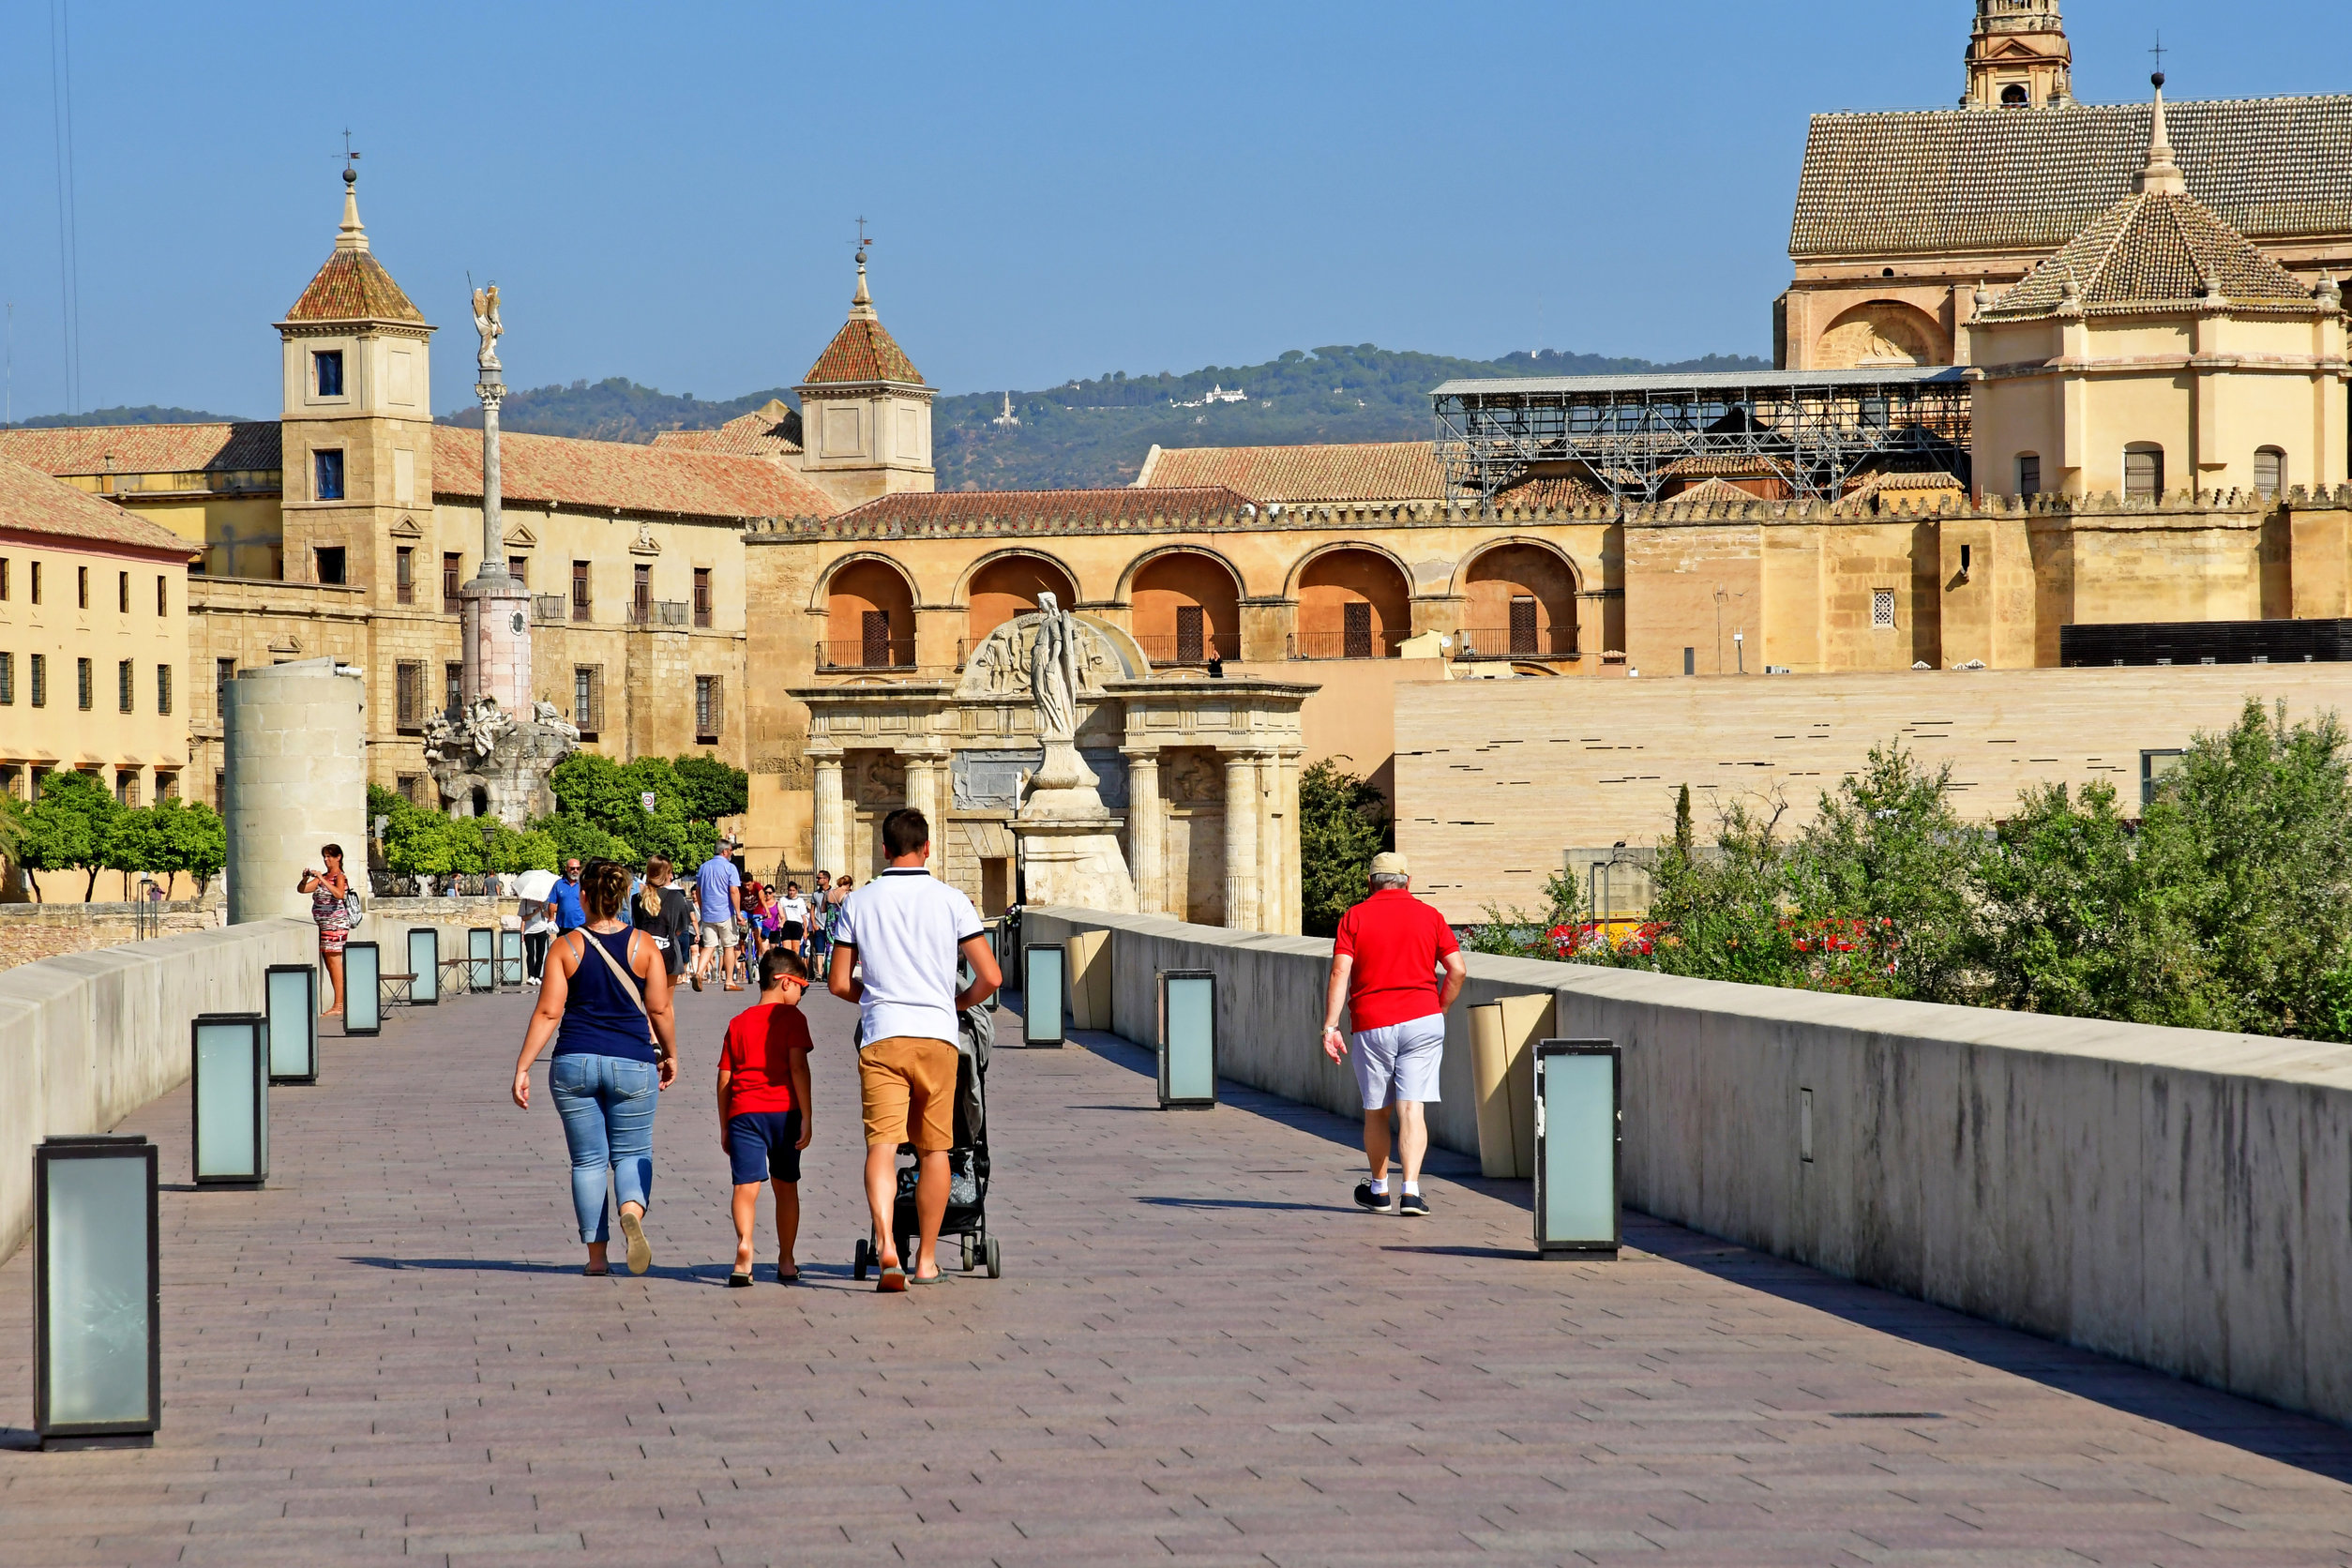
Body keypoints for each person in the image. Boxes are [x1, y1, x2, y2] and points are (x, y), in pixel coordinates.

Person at [829, 807, 1000, 1291]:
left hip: (883, 1035)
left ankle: (887, 1246)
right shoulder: (952, 901)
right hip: (937, 1036)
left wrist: (877, 998)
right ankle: (925, 1260)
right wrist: (955, 1002)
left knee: (881, 1145)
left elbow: (839, 983)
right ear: (927, 848)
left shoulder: (858, 903)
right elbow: (991, 976)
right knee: (935, 1150)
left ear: (884, 850)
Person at [510, 859, 680, 1275]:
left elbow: (548, 1012)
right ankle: (631, 1213)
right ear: (622, 897)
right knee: (632, 1152)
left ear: (582, 896)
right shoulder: (643, 945)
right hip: (632, 1062)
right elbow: (659, 1008)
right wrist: (671, 1053)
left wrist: (524, 1066)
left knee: (587, 1162)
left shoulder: (565, 947)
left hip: (574, 1062)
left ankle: (596, 1259)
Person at [1320, 852, 1467, 1219]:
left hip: (1373, 1023)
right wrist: (1440, 1007)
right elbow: (1458, 970)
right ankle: (1412, 1193)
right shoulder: (1430, 916)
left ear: (1370, 882)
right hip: (1423, 1019)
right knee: (1411, 1108)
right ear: (1408, 882)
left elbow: (1340, 973)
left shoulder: (1355, 916)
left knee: (1377, 1111)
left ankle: (1379, 1189)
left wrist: (1331, 1026)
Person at [716, 948, 815, 1287]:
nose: (802, 993)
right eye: (801, 985)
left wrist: (725, 1124)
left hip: (744, 1112)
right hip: (784, 1112)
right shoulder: (791, 1019)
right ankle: (786, 1260)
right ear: (783, 981)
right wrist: (807, 1116)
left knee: (745, 1187)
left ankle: (744, 1248)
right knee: (786, 1187)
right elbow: (798, 1068)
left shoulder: (738, 1022)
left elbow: (724, 1079)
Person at [296, 845, 356, 1017]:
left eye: (330, 856)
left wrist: (322, 879)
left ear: (338, 857)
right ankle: (338, 1003)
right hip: (324, 925)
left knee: (334, 962)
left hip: (336, 924)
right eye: (324, 856)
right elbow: (302, 890)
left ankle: (339, 1005)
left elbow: (339, 894)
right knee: (329, 962)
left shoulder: (339, 876)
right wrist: (304, 878)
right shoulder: (324, 876)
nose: (326, 860)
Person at [692, 837, 745, 992]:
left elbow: (699, 891)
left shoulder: (703, 867)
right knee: (728, 946)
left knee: (709, 946)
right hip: (725, 912)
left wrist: (702, 909)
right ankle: (729, 981)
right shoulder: (730, 868)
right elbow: (734, 891)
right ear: (725, 851)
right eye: (730, 850)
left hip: (708, 913)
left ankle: (699, 973)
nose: (732, 853)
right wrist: (738, 912)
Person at [634, 856, 693, 983]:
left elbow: (635, 926)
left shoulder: (636, 898)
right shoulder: (676, 897)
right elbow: (680, 929)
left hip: (643, 954)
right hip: (669, 952)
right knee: (666, 1002)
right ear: (666, 875)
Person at [520, 888, 555, 986]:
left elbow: (548, 916)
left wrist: (542, 908)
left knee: (540, 954)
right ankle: (531, 975)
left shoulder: (544, 901)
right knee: (531, 953)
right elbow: (524, 917)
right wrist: (534, 913)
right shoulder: (525, 902)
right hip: (529, 930)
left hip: (541, 929)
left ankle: (537, 975)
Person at [550, 858, 588, 935]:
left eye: (578, 868)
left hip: (580, 924)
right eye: (572, 868)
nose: (575, 871)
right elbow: (552, 903)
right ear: (566, 868)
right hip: (562, 925)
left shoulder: (584, 884)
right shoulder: (558, 884)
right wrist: (551, 918)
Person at [778, 880, 810, 961]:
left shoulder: (800, 901)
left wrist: (805, 931)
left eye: (793, 890)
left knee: (795, 950)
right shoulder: (783, 900)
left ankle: (794, 967)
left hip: (797, 925)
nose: (791, 892)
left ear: (796, 891)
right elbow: (780, 913)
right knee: (786, 950)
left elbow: (804, 917)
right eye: (790, 890)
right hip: (786, 924)